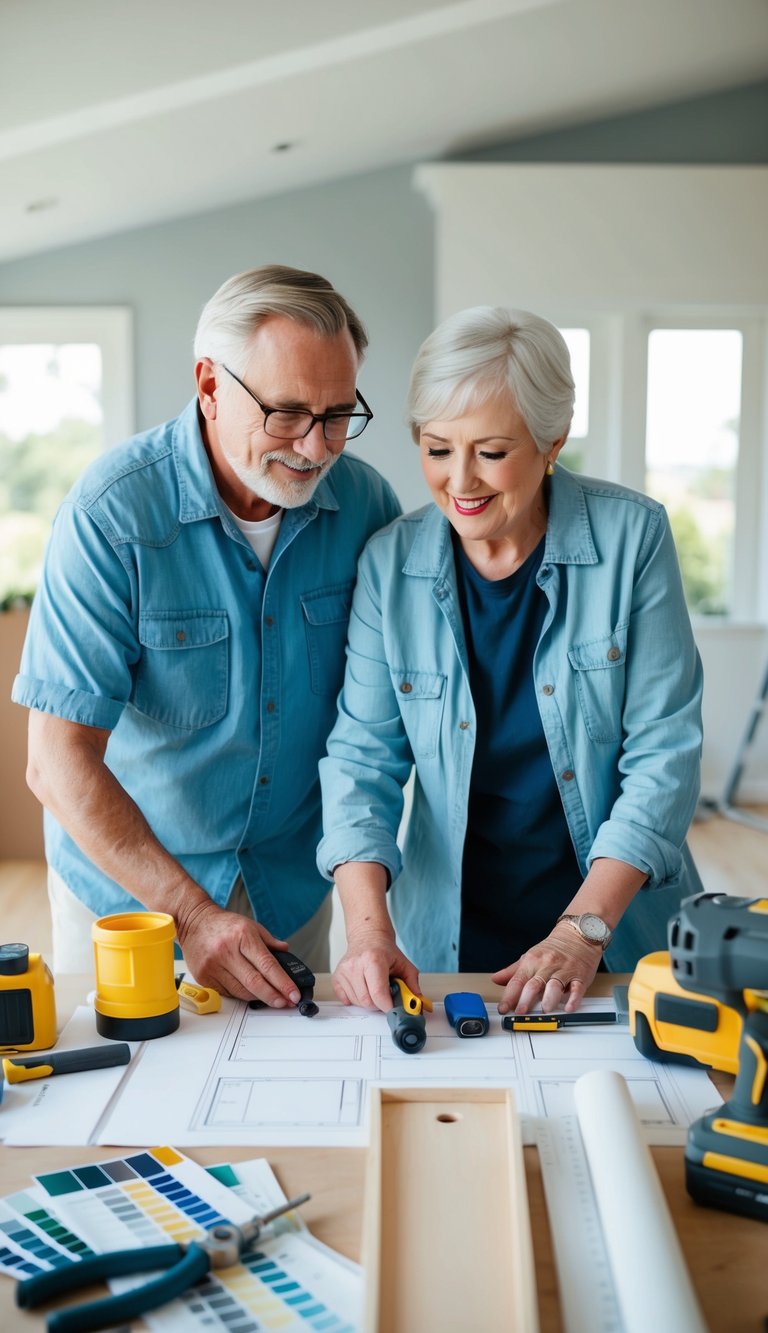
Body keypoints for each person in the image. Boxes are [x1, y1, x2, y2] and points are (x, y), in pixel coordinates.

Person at [12, 264, 400, 1005]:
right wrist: (190, 913)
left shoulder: (366, 507)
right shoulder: (111, 515)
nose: (316, 448)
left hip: (291, 890)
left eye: (338, 414)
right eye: (286, 413)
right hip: (133, 901)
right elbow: (56, 760)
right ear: (210, 385)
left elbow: (375, 729)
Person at [317, 305, 703, 1016]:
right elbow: (361, 762)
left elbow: (663, 757)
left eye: (490, 451)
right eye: (436, 448)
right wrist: (367, 932)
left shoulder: (633, 540)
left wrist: (580, 932)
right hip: (449, 943)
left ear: (551, 442)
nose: (460, 480)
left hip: (612, 934)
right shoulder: (389, 564)